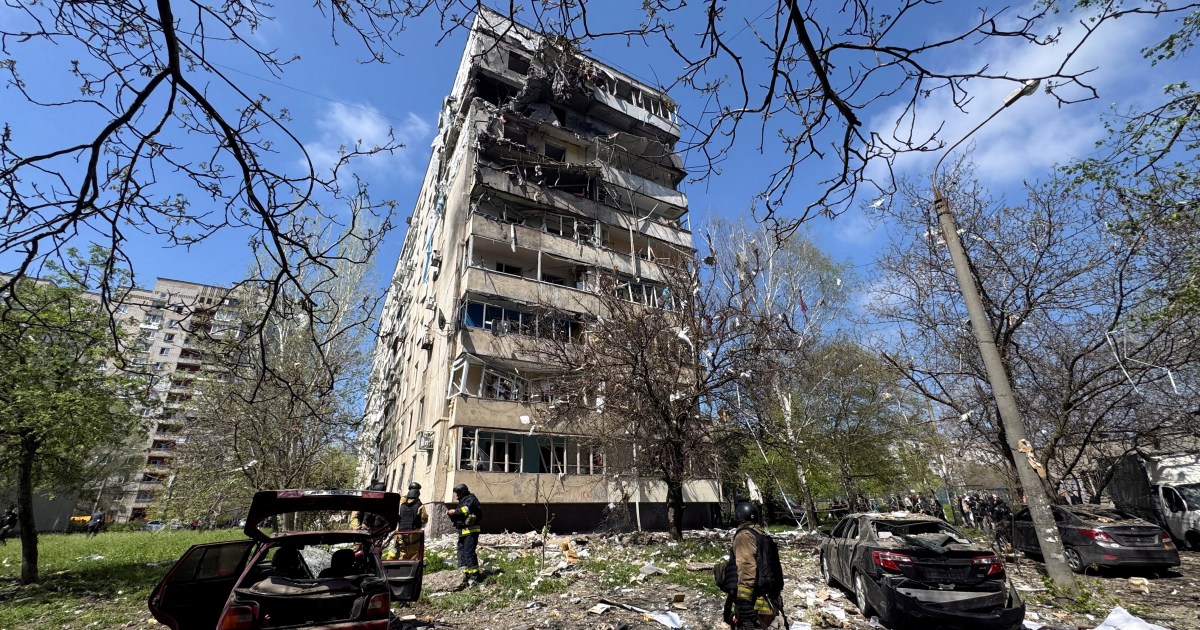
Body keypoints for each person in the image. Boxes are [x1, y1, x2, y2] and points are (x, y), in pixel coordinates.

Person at [724, 501, 782, 629]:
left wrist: (744, 604)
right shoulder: (762, 535)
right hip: (769, 600)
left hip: (754, 603)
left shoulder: (744, 536)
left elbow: (746, 569)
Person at [447, 484, 483, 586]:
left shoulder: (471, 499)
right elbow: (459, 516)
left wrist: (454, 511)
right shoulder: (462, 501)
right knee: (461, 552)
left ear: (463, 493)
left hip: (471, 532)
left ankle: (475, 576)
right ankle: (464, 574)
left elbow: (465, 510)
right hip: (463, 532)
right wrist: (451, 514)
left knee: (469, 553)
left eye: (458, 494)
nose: (457, 496)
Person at [383, 482, 429, 561]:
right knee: (410, 554)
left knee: (395, 550)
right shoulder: (420, 506)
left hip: (399, 533)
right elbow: (424, 520)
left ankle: (388, 562)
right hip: (413, 535)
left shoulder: (401, 504)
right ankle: (404, 565)